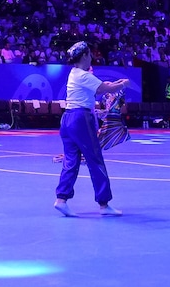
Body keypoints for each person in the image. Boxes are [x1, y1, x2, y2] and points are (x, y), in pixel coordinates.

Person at [54, 41, 126, 216]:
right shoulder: (83, 75)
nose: (92, 56)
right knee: (95, 159)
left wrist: (115, 83)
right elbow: (103, 88)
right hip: (81, 119)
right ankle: (104, 204)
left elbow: (101, 85)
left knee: (71, 161)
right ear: (85, 55)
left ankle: (61, 199)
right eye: (89, 54)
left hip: (67, 119)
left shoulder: (74, 74)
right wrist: (123, 84)